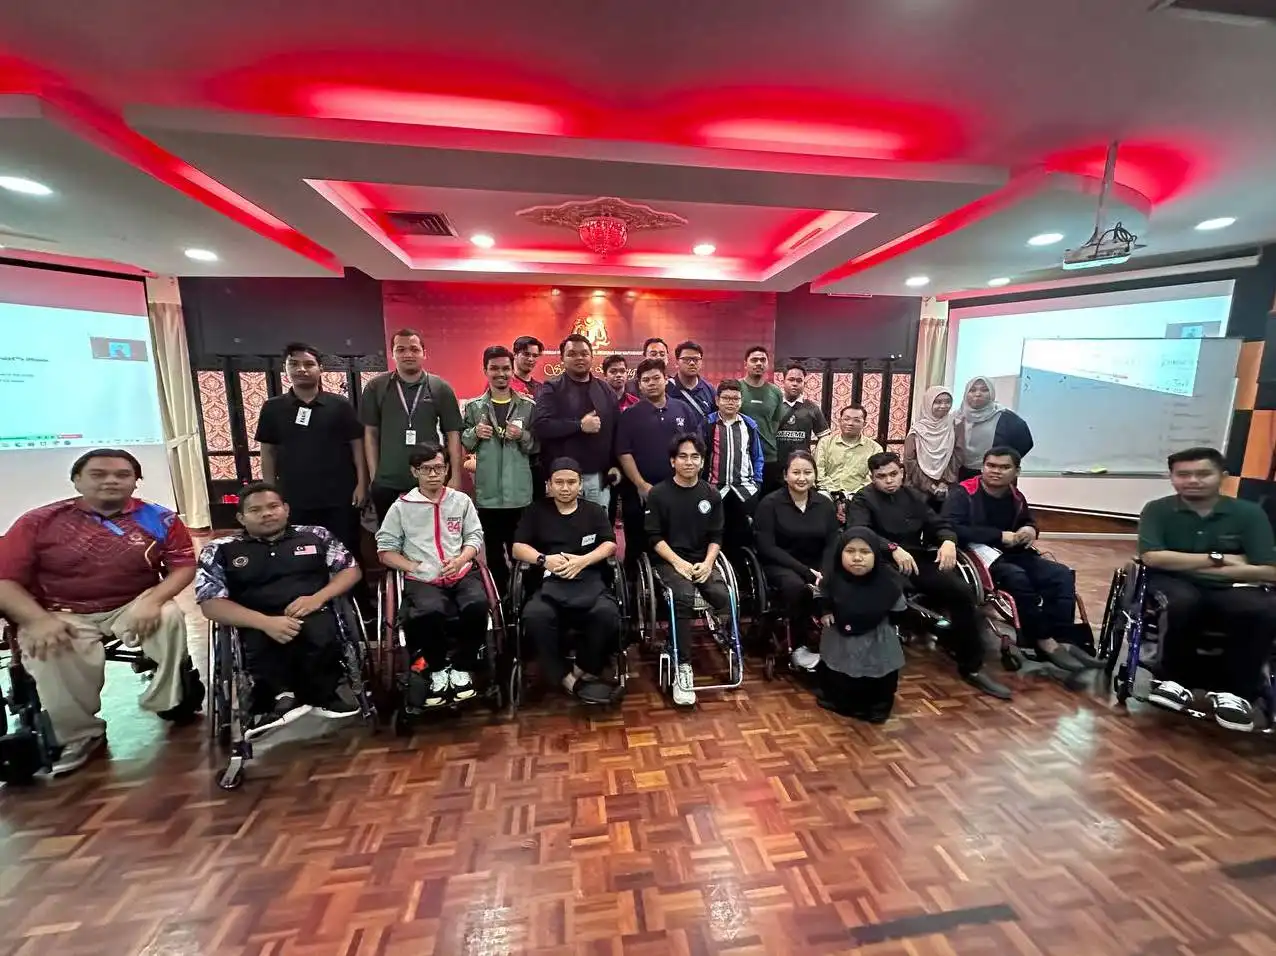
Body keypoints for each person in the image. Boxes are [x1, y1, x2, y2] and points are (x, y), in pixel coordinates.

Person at [0, 449, 203, 776]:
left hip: (133, 602)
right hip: (60, 610)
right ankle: (81, 734)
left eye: (122, 475)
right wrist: (36, 620)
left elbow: (182, 567)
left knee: (169, 617)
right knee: (50, 648)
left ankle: (166, 696)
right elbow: (4, 581)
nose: (111, 480)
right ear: (77, 480)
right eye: (98, 474)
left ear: (135, 482)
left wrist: (153, 600)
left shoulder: (159, 518)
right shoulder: (38, 522)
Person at [196, 482, 363, 739]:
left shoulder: (315, 535)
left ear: (286, 509)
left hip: (312, 609)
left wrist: (318, 598)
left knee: (321, 631)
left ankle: (322, 695)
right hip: (253, 618)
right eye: (256, 510)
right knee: (258, 640)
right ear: (241, 517)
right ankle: (278, 698)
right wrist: (264, 622)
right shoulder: (220, 549)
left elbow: (350, 570)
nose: (267, 513)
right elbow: (210, 603)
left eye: (273, 506)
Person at [847, 452, 1012, 699]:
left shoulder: (913, 496)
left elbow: (939, 525)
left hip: (917, 558)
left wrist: (947, 541)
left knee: (961, 592)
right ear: (871, 478)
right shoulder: (863, 499)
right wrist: (892, 548)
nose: (889, 481)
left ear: (902, 472)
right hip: (879, 561)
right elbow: (859, 532)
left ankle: (972, 666)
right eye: (881, 477)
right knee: (895, 596)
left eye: (893, 474)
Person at [1137, 446, 1276, 732]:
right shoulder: (1158, 510)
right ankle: (1173, 681)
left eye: (1203, 474)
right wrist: (1220, 559)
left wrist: (1182, 561)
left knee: (1261, 610)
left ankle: (1235, 693)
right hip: (1174, 582)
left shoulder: (1248, 514)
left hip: (1232, 586)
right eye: (1183, 474)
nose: (1193, 480)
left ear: (1222, 476)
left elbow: (1269, 569)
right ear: (1172, 477)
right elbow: (1153, 558)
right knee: (1182, 604)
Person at [943, 447, 1097, 673]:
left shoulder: (1015, 496)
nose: (996, 471)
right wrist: (997, 535)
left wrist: (1030, 529)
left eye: (1004, 467)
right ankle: (1042, 640)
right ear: (983, 467)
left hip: (1014, 550)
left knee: (1061, 575)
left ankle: (1063, 639)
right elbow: (951, 526)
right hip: (979, 552)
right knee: (1017, 578)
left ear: (1016, 471)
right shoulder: (963, 493)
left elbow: (1028, 520)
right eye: (991, 466)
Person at [256, 342, 371, 612]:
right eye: (294, 364)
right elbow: (267, 453)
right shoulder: (273, 408)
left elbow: (357, 447)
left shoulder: (339, 406)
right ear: (285, 369)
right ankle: (311, 607)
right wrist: (270, 494)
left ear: (320, 369)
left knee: (348, 551)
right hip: (295, 496)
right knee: (300, 553)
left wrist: (362, 484)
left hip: (339, 495)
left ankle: (359, 609)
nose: (302, 370)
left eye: (308, 364)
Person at [375, 443, 487, 708]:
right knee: (430, 611)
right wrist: (412, 567)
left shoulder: (461, 501)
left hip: (460, 572)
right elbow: (384, 549)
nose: (434, 474)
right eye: (426, 469)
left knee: (478, 605)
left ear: (447, 469)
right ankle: (437, 668)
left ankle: (462, 666)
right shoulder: (402, 507)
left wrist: (461, 559)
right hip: (422, 579)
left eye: (439, 467)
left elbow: (475, 536)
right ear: (415, 472)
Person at [511, 458, 622, 704]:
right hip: (550, 582)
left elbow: (610, 543)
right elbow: (517, 548)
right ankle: (565, 678)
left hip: (589, 578)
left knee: (607, 613)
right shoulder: (536, 511)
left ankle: (581, 669)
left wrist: (584, 561)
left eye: (571, 482)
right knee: (534, 616)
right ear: (549, 485)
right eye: (559, 482)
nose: (565, 488)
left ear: (580, 484)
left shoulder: (593, 511)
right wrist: (544, 559)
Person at [644, 434, 732, 707]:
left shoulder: (711, 494)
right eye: (683, 456)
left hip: (702, 560)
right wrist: (678, 563)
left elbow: (716, 535)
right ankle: (682, 666)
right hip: (669, 561)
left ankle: (726, 640)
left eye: (695, 457)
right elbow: (654, 537)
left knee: (723, 595)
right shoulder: (658, 494)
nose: (689, 461)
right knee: (681, 598)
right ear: (672, 461)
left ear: (702, 461)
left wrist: (707, 564)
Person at [361, 328, 464, 522]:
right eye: (401, 349)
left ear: (424, 354)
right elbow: (370, 434)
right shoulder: (376, 387)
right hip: (387, 482)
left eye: (414, 349)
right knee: (391, 541)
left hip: (429, 480)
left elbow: (453, 434)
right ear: (392, 354)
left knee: (428, 540)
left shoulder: (440, 387)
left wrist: (455, 475)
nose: (408, 354)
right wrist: (375, 476)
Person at [462, 346, 537, 598]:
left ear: (512, 370)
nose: (501, 373)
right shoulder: (473, 407)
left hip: (519, 494)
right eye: (494, 368)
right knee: (493, 554)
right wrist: (474, 433)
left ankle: (522, 597)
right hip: (489, 494)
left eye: (506, 368)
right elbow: (464, 441)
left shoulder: (528, 406)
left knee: (521, 551)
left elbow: (537, 444)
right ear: (485, 370)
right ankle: (501, 598)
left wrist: (523, 435)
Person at [751, 450, 838, 670]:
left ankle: (840, 639)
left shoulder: (825, 504)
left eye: (808, 472)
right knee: (797, 588)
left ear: (815, 475)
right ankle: (799, 646)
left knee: (846, 580)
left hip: (818, 563)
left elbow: (832, 542)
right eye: (796, 472)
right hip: (781, 563)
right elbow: (767, 547)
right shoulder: (770, 504)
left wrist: (825, 571)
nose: (802, 478)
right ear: (785, 475)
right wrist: (806, 572)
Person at [816, 527, 908, 724]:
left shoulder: (889, 582)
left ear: (875, 554)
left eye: (865, 552)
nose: (857, 558)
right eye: (850, 551)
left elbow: (898, 610)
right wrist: (826, 611)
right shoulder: (832, 578)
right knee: (839, 674)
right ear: (840, 553)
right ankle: (844, 704)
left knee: (880, 674)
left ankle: (877, 709)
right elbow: (821, 595)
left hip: (877, 638)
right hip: (840, 638)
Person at [616, 358, 697, 571]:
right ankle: (634, 588)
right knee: (637, 542)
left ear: (666, 380)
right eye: (646, 380)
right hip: (640, 493)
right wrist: (641, 485)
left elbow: (694, 449)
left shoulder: (683, 410)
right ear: (639, 385)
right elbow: (624, 453)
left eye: (656, 378)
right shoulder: (630, 415)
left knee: (674, 541)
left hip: (677, 491)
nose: (651, 383)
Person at [533, 333, 620, 510]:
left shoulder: (605, 390)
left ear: (592, 357)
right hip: (562, 478)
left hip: (598, 477)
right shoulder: (552, 388)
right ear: (562, 358)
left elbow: (616, 431)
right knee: (562, 532)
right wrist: (579, 425)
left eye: (584, 353)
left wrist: (615, 465)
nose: (579, 358)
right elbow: (541, 426)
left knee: (598, 530)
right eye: (572, 354)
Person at [701, 379, 764, 551]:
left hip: (743, 490)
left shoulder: (749, 425)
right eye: (726, 398)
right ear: (717, 400)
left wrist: (757, 482)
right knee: (714, 533)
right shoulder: (708, 424)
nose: (731, 402)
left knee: (742, 537)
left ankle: (742, 573)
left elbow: (757, 456)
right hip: (715, 489)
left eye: (735, 398)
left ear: (741, 401)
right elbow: (701, 456)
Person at [956, 376, 1033, 480]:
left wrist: (1005, 464)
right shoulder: (957, 417)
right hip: (961, 473)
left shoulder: (1007, 418)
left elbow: (1025, 443)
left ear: (992, 393)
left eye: (984, 390)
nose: (977, 394)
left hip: (996, 476)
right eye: (972, 390)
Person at [901, 386, 965, 506]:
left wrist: (944, 482)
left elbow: (957, 456)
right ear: (928, 403)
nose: (943, 406)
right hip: (918, 487)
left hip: (947, 486)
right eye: (938, 402)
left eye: (947, 402)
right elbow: (910, 461)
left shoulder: (955, 425)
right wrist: (930, 486)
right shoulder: (917, 430)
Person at [739, 346, 785, 494]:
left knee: (766, 502)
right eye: (754, 360)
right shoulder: (735, 388)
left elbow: (775, 423)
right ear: (746, 364)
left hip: (768, 456)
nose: (759, 363)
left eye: (763, 360)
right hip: (741, 456)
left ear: (768, 364)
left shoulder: (775, 392)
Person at [815, 404, 883, 500]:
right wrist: (835, 493)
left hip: (859, 495)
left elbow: (872, 478)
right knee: (821, 499)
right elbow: (819, 471)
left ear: (864, 424)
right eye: (846, 419)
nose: (850, 423)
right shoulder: (825, 443)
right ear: (839, 421)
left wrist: (851, 495)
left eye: (856, 420)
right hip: (828, 492)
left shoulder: (875, 448)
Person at [775, 363, 830, 472]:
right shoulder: (773, 405)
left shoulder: (812, 408)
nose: (795, 384)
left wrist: (815, 458)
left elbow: (825, 440)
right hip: (774, 464)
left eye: (799, 380)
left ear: (804, 383)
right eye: (791, 379)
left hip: (801, 466)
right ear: (783, 382)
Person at [667, 340, 716, 423]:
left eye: (696, 359)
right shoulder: (667, 388)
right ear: (676, 362)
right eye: (686, 359)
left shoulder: (709, 390)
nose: (692, 363)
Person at [511, 335, 545, 399]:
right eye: (526, 354)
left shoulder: (542, 389)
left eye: (535, 356)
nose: (530, 359)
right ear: (515, 355)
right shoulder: (503, 385)